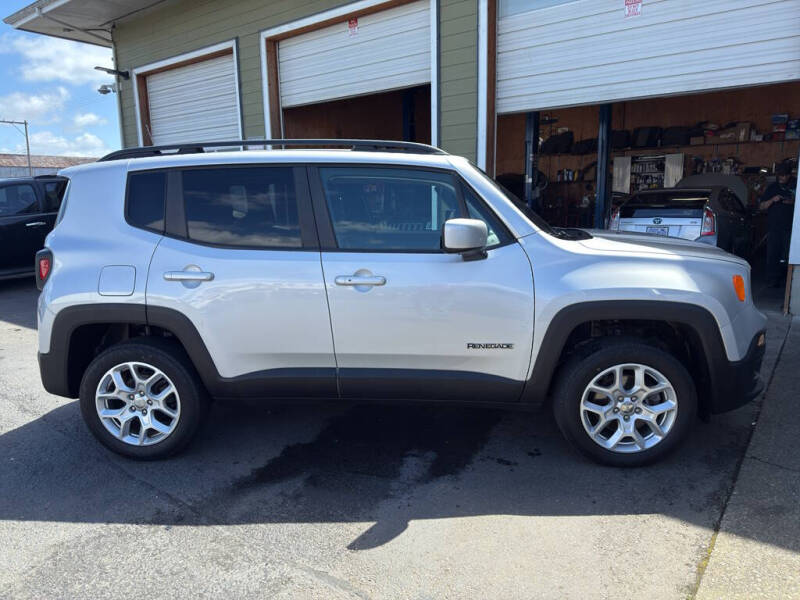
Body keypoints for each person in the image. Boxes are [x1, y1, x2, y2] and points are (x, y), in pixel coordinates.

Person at [759, 162, 796, 287]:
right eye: (780, 175)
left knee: (788, 256)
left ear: (789, 175)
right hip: (774, 228)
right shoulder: (772, 188)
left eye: (784, 175)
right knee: (772, 254)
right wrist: (772, 200)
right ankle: (772, 280)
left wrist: (792, 202)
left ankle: (788, 282)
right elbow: (762, 206)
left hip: (791, 229)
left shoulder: (795, 185)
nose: (782, 178)